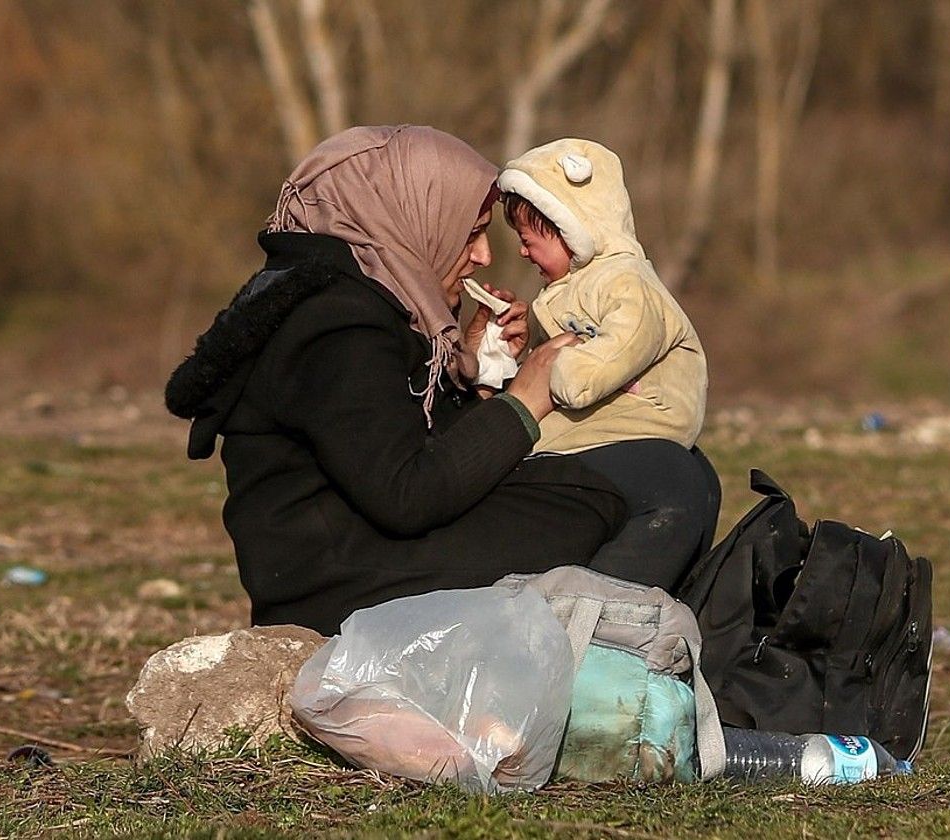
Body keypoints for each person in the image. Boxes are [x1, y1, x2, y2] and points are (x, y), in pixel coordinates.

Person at [163, 125, 638, 636]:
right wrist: (524, 400)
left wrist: (479, 380)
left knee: (630, 473)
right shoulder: (334, 323)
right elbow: (407, 494)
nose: (483, 256)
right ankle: (607, 662)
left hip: (363, 554)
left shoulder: (368, 301)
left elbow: (408, 449)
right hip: (335, 588)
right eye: (471, 232)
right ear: (414, 219)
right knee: (608, 497)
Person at [498, 138, 719, 590]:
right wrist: (521, 351)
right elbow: (554, 354)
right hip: (595, 428)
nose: (522, 253)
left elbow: (602, 360)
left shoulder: (627, 283)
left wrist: (556, 371)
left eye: (528, 241)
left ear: (571, 227)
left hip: (637, 425)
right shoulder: (569, 288)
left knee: (516, 459)